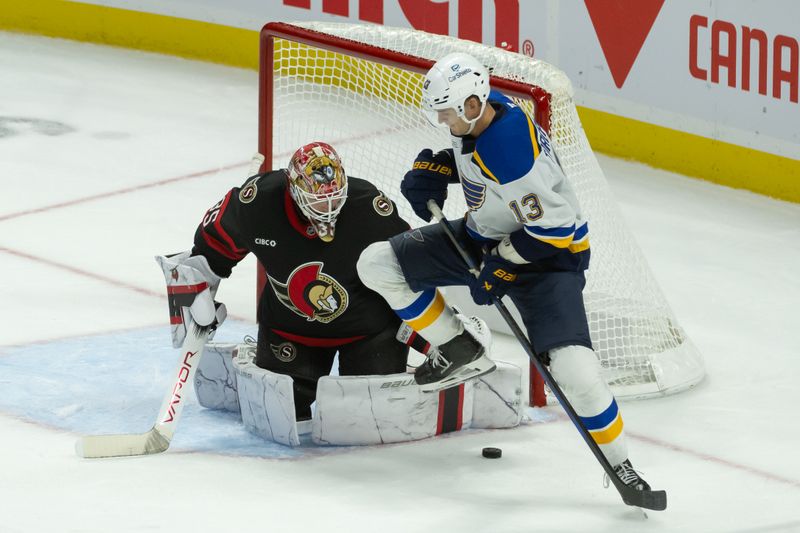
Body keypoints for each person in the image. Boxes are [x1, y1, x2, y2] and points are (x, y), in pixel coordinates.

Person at [357, 53, 652, 491]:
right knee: (377, 264)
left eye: (446, 115)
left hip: (551, 259)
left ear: (471, 106)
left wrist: (503, 264)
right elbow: (481, 166)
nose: (442, 121)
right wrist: (439, 169)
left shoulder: (508, 146)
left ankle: (621, 464)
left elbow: (554, 229)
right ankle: (458, 347)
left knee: (577, 374)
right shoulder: (483, 112)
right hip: (486, 236)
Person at [167, 141, 418, 421]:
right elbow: (208, 251)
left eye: (335, 198)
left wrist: (433, 328)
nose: (328, 208)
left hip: (369, 333)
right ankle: (253, 361)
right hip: (291, 332)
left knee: (373, 418)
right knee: (280, 417)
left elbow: (412, 266)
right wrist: (194, 293)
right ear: (294, 188)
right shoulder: (257, 203)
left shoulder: (368, 206)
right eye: (318, 200)